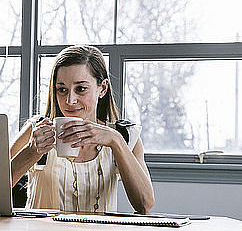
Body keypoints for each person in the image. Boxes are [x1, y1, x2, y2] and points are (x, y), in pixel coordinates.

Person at [10, 45, 154, 213]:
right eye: (62, 90)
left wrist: (116, 141)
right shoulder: (36, 130)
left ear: (103, 89)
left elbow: (144, 204)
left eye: (81, 89)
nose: (70, 100)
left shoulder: (125, 136)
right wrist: (32, 151)